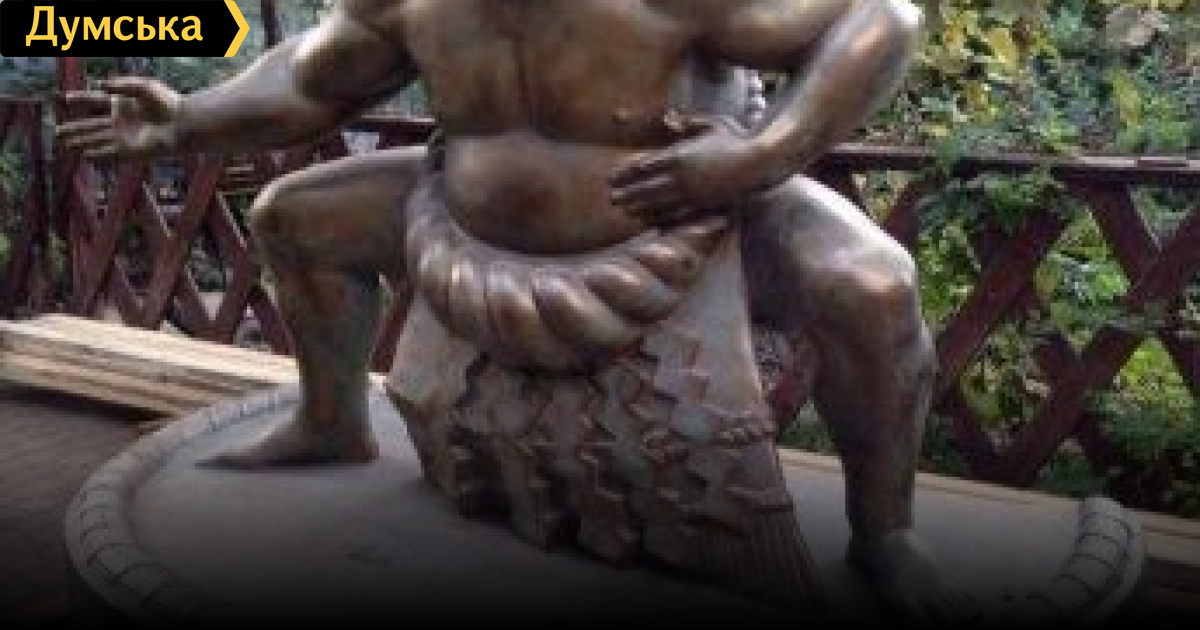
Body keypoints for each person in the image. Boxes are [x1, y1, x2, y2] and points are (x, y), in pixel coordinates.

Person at [58, 0, 975, 623]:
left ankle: (883, 533)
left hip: (689, 215)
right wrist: (187, 118)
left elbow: (879, 17)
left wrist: (763, 153)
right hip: (464, 223)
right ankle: (331, 422)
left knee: (872, 285)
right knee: (291, 217)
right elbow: (311, 79)